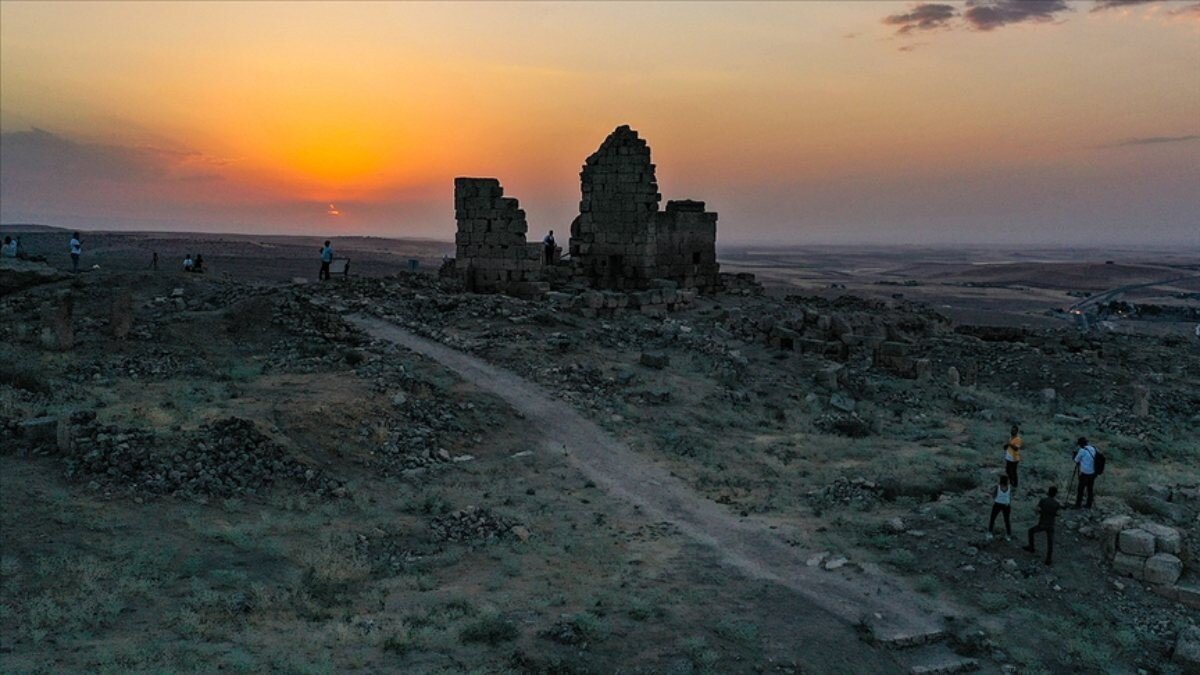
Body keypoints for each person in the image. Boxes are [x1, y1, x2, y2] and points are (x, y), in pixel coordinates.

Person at [1023, 486, 1060, 565]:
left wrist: (1041, 512)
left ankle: (1031, 547)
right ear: (1055, 494)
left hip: (1042, 523)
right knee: (1050, 542)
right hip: (1051, 524)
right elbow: (1058, 513)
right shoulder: (1056, 503)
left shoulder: (1043, 500)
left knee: (1031, 531)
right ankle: (1048, 559)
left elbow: (1037, 509)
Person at [1073, 437, 1099, 509]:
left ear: (1081, 444)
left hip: (1085, 473)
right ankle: (1089, 504)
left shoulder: (1082, 450)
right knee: (1090, 489)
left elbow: (1076, 460)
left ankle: (1078, 505)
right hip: (1093, 473)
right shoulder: (1093, 448)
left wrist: (1075, 455)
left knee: (1080, 489)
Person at [988, 475, 1013, 540]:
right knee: (1006, 520)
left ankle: (990, 532)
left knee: (992, 518)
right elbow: (1010, 496)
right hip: (1006, 505)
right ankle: (1008, 535)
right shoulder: (1010, 487)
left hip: (997, 504)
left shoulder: (997, 487)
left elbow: (993, 495)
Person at [1003, 424, 1023, 491]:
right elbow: (1008, 446)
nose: (1012, 431)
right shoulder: (1010, 438)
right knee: (1008, 471)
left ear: (1016, 431)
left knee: (1013, 472)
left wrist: (1010, 444)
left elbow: (1016, 448)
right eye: (1011, 430)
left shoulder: (1018, 439)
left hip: (1014, 458)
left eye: (1013, 430)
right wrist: (1006, 446)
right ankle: (1011, 482)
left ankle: (1015, 484)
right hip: (1008, 457)